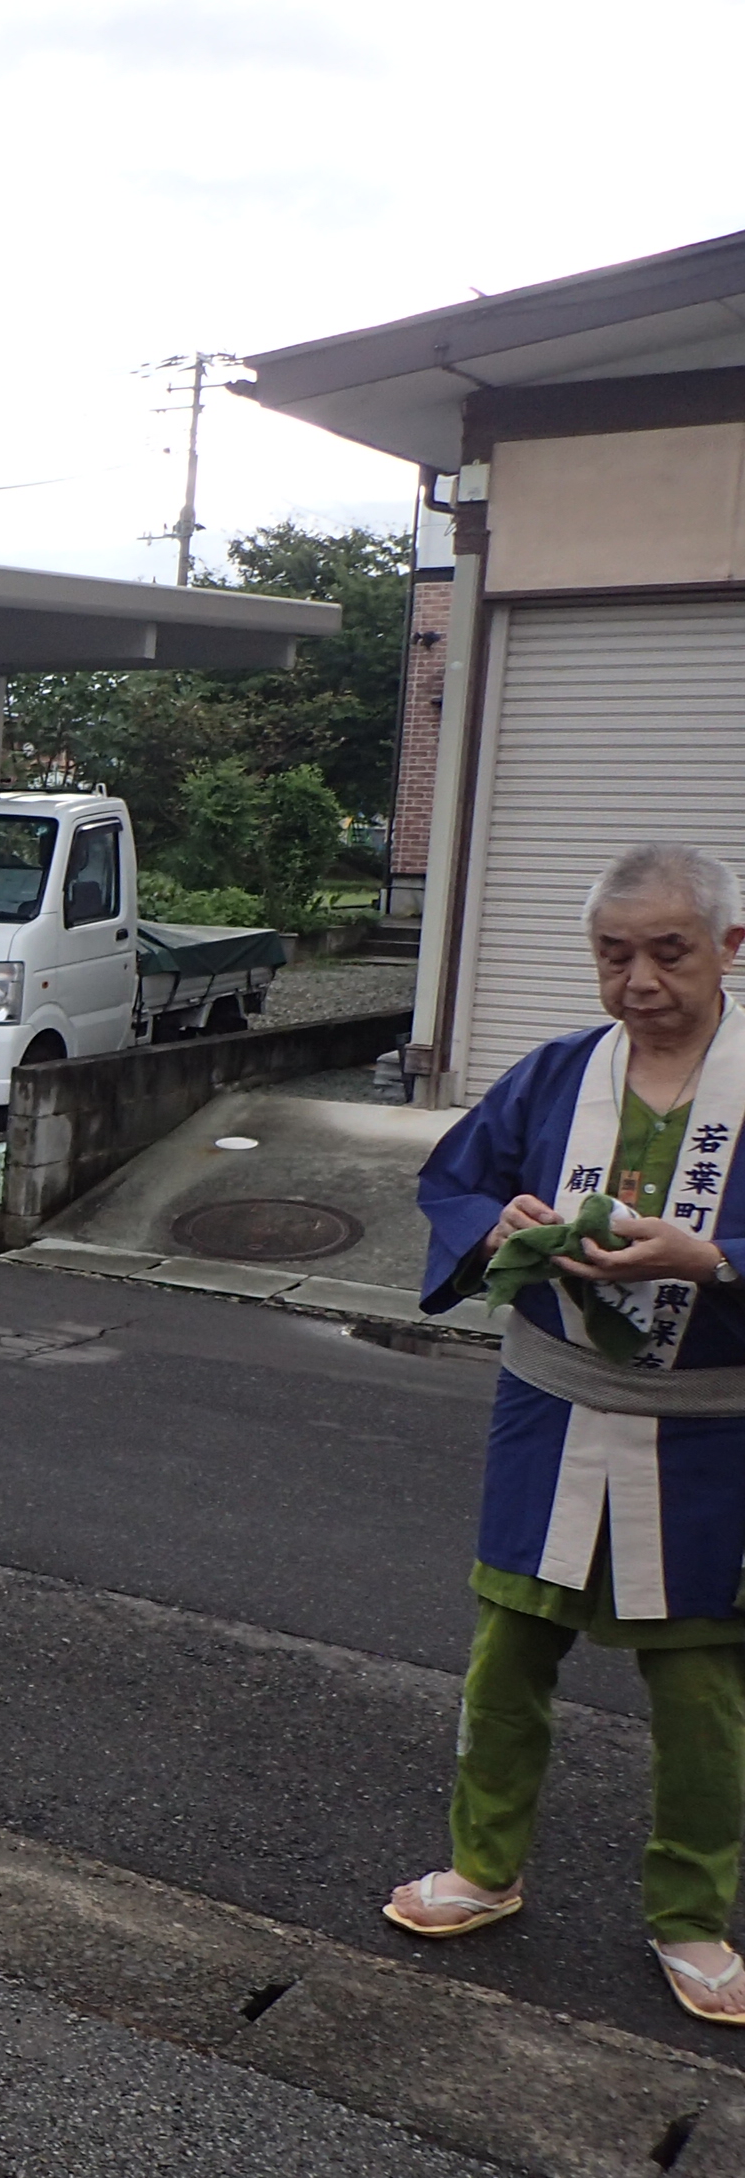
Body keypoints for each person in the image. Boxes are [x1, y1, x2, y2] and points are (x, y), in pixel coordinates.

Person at [392, 842, 745, 2025]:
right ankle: (481, 1868)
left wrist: (712, 1259)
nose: (637, 981)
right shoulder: (549, 1076)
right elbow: (451, 1185)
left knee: (699, 1692)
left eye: (667, 952)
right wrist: (496, 1227)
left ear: (727, 948)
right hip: (548, 1417)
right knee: (505, 1659)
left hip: (707, 1444)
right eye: (612, 955)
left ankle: (690, 1915)